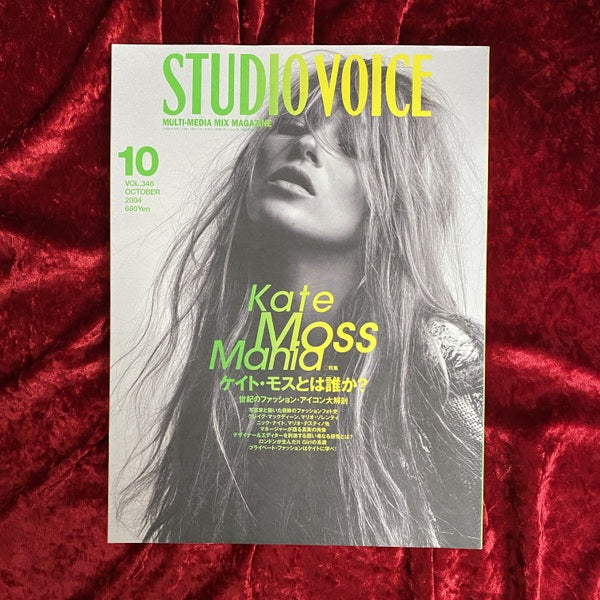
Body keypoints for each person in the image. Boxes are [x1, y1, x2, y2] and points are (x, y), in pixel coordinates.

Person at [118, 57, 484, 548]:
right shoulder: (231, 363)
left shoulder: (438, 357)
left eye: (352, 147)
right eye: (292, 126)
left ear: (397, 203)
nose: (306, 144)